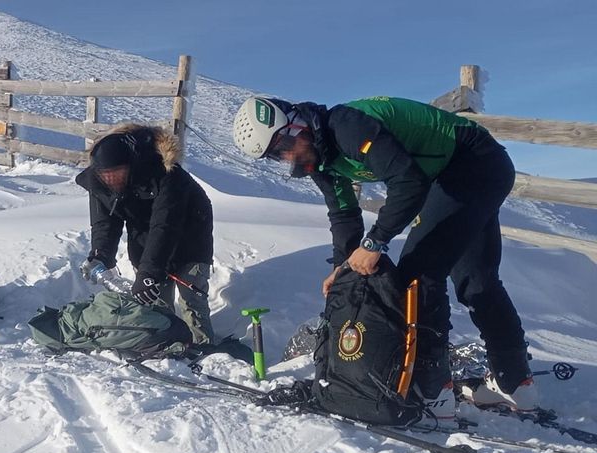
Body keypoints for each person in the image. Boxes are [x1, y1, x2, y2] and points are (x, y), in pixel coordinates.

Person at [232, 96, 537, 417]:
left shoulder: (346, 126)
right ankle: (516, 384)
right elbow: (343, 214)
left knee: (418, 274)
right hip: (460, 172)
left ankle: (433, 393)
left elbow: (407, 182)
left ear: (297, 122)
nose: (288, 155)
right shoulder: (319, 159)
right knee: (476, 280)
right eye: (277, 154)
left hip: (472, 161)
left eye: (286, 143)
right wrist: (343, 266)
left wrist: (374, 243)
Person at [76, 124, 215, 345]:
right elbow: (105, 223)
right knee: (156, 303)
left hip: (190, 239)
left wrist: (149, 273)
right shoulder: (100, 183)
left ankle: (204, 347)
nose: (112, 180)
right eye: (106, 176)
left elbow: (165, 227)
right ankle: (168, 345)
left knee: (192, 301)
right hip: (144, 239)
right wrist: (100, 255)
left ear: (131, 164)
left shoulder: (168, 175)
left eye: (117, 173)